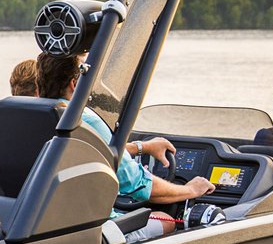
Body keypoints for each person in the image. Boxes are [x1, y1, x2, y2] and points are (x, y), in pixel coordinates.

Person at [35, 52, 215, 207]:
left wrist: (141, 147)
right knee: (167, 221)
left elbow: (97, 153)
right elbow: (138, 185)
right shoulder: (82, 121)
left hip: (48, 214)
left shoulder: (35, 114)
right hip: (92, 227)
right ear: (75, 84)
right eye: (87, 74)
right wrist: (191, 189)